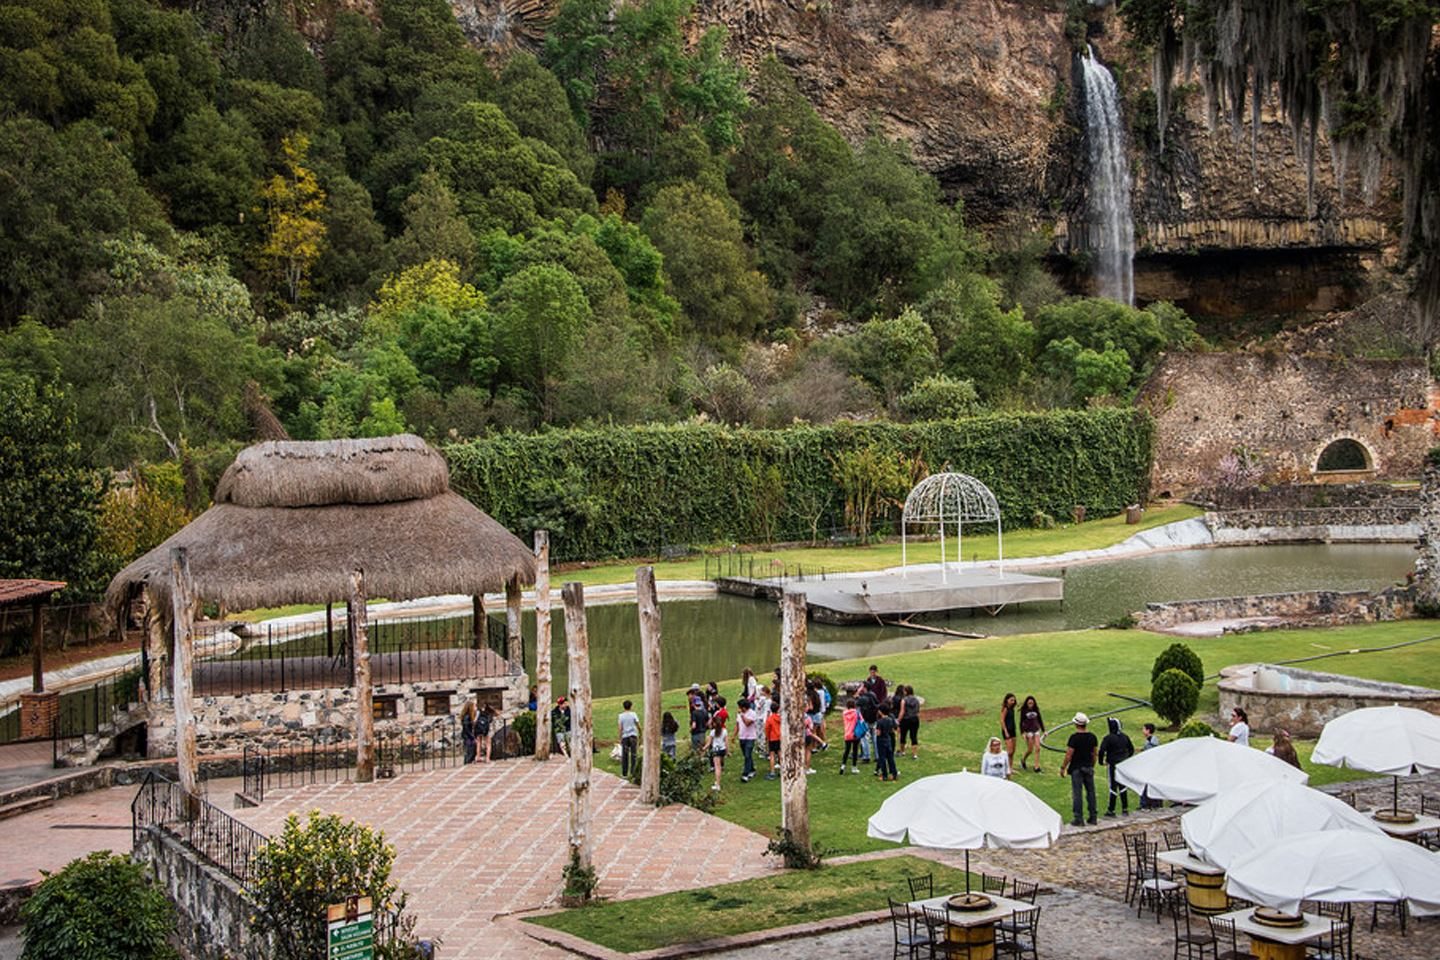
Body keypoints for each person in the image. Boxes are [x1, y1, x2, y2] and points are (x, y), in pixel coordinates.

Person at [1060, 712, 1098, 827]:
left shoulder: (1074, 738)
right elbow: (1094, 754)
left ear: (1076, 724)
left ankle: (1079, 818)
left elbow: (1069, 755)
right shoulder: (1092, 737)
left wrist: (1063, 767)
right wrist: (1092, 765)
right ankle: (1093, 816)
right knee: (1091, 792)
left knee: (1077, 794)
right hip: (1088, 766)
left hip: (1077, 768)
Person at [1099, 717, 1135, 817]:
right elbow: (1131, 749)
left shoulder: (1108, 738)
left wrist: (1101, 761)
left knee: (1113, 787)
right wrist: (1126, 758)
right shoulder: (1125, 737)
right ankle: (1125, 808)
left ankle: (1111, 809)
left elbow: (1101, 750)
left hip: (1113, 764)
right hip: (1123, 764)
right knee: (1123, 786)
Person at [1019, 695, 1045, 772]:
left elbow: (1040, 719)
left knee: (1038, 748)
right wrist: (1022, 732)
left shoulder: (1036, 710)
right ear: (1027, 703)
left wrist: (1044, 730)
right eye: (1029, 703)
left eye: (1032, 703)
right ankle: (1023, 759)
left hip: (1036, 730)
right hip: (1028, 731)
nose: (1031, 704)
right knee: (1030, 749)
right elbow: (1021, 722)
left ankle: (1036, 766)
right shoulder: (1024, 711)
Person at [1138, 722, 1162, 808]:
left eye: (1143, 729)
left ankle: (1146, 804)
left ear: (1148, 730)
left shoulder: (1151, 743)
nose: (1142, 731)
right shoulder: (1151, 741)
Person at [874, 703, 899, 782]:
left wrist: (876, 731)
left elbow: (878, 733)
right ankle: (894, 773)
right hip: (888, 739)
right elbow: (892, 729)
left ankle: (884, 775)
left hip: (881, 740)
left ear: (881, 712)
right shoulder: (890, 719)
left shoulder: (880, 722)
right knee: (890, 757)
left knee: (882, 758)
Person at [736, 696, 759, 783]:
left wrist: (742, 715)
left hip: (750, 737)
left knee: (747, 754)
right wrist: (734, 735)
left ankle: (745, 774)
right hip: (742, 736)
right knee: (746, 755)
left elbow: (747, 723)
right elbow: (737, 724)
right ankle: (752, 769)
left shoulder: (752, 713)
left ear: (744, 707)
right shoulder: (739, 714)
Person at [704, 713, 728, 792]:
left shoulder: (713, 732)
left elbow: (709, 744)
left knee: (717, 768)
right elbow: (726, 743)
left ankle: (717, 784)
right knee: (720, 766)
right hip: (722, 749)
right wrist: (727, 752)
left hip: (716, 750)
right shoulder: (724, 731)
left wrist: (703, 748)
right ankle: (717, 781)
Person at [617, 700, 640, 779]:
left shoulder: (621, 716)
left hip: (625, 737)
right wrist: (640, 732)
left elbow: (620, 728)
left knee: (625, 755)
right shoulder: (634, 714)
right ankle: (633, 773)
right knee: (634, 755)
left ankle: (624, 773)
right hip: (633, 736)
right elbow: (637, 724)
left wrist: (620, 738)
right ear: (631, 706)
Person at [856, 684, 879, 762]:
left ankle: (866, 756)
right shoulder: (873, 695)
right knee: (875, 738)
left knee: (865, 738)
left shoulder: (863, 698)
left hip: (866, 720)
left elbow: (855, 701)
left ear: (865, 688)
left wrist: (858, 692)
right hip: (874, 719)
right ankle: (877, 755)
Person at [840, 698, 864, 774]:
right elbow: (862, 721)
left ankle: (843, 766)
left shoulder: (844, 713)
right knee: (855, 750)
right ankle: (854, 767)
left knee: (846, 750)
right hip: (855, 733)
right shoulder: (857, 713)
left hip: (847, 733)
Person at [898, 685, 921, 760]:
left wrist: (898, 720)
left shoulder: (904, 700)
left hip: (906, 719)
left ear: (906, 692)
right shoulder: (916, 700)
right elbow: (918, 710)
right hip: (915, 719)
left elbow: (902, 711)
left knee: (903, 735)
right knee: (914, 736)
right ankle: (915, 754)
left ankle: (902, 751)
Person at [764, 700, 782, 780]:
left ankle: (772, 772)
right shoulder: (781, 719)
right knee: (780, 754)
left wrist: (767, 737)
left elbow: (767, 729)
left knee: (772, 755)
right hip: (780, 737)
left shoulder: (770, 719)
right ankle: (783, 770)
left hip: (772, 738)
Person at [1000, 692, 1019, 769]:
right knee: (1009, 751)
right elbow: (1002, 720)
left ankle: (1010, 768)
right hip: (1007, 731)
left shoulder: (1012, 709)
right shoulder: (1005, 709)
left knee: (1013, 752)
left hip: (1013, 730)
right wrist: (1006, 731)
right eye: (1011, 700)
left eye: (1014, 700)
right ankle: (1004, 765)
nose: (1013, 702)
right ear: (1007, 700)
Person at [461, 700, 479, 764]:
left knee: (471, 749)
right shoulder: (467, 717)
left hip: (468, 735)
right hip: (467, 736)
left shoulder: (469, 716)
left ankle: (469, 761)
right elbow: (466, 728)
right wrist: (472, 737)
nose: (475, 708)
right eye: (474, 706)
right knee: (470, 750)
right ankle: (467, 762)